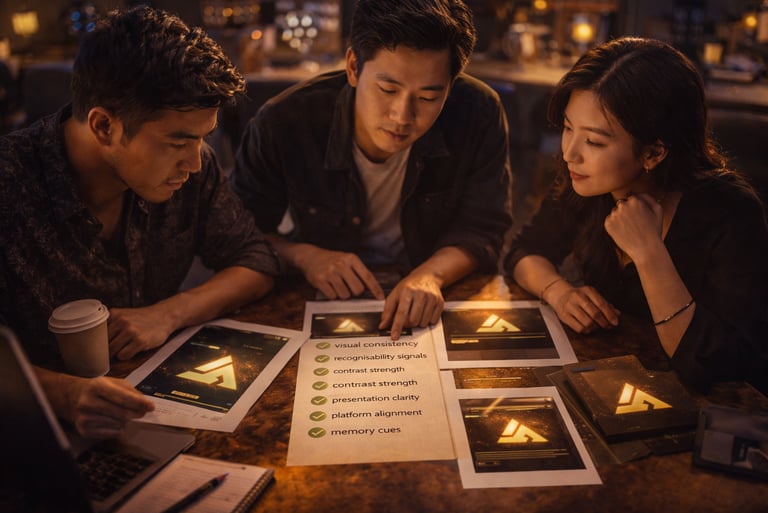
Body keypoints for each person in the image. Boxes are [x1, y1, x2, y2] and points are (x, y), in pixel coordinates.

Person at [0, 6, 279, 438]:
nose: (197, 164)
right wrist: (63, 395)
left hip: (151, 420)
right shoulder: (10, 186)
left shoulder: (188, 170)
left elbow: (256, 261)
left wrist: (167, 314)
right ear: (104, 126)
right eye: (178, 142)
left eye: (204, 138)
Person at [230, 0, 512, 340]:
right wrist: (306, 257)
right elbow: (239, 234)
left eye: (427, 98)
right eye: (388, 90)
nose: (402, 115)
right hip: (320, 302)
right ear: (353, 67)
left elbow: (484, 228)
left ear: (451, 85)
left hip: (432, 296)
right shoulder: (286, 121)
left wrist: (431, 275)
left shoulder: (478, 112)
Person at [506, 36, 768, 393]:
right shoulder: (589, 183)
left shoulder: (730, 212)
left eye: (594, 141)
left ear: (654, 152)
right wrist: (559, 292)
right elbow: (523, 251)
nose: (570, 153)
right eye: (568, 128)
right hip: (617, 384)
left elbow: (713, 365)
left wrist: (648, 252)